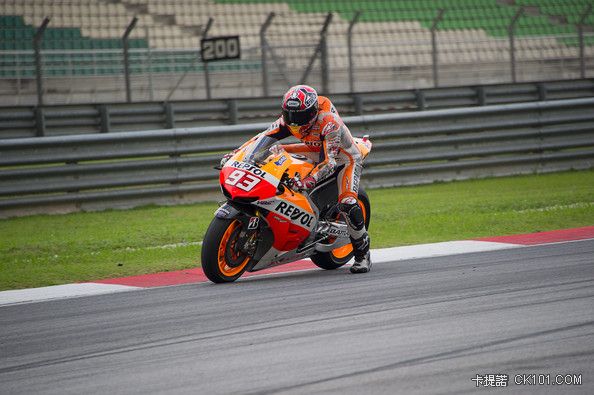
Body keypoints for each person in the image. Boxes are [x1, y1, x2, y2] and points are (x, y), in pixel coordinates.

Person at [221, 85, 371, 273]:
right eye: (289, 115)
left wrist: (309, 180)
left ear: (313, 112)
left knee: (348, 203)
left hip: (343, 158)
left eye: (299, 117)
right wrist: (236, 155)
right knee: (273, 153)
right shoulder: (290, 119)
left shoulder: (329, 123)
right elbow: (262, 138)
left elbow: (329, 162)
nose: (294, 122)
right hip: (314, 149)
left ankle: (363, 253)